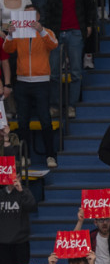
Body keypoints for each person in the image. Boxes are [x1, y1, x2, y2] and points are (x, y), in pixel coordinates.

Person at [3, 10, 58, 167]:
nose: (29, 18)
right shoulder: (18, 33)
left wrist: (40, 30)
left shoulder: (46, 32)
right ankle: (24, 156)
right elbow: (7, 49)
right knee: (23, 121)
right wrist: (10, 34)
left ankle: (50, 156)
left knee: (45, 120)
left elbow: (54, 44)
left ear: (38, 17)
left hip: (41, 82)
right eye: (25, 15)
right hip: (22, 82)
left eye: (32, 15)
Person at [43, 0, 95, 117]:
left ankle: (71, 106)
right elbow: (47, 12)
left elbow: (90, 7)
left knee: (76, 72)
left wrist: (89, 24)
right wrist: (48, 32)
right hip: (56, 34)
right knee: (54, 74)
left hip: (76, 33)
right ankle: (55, 106)